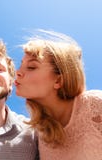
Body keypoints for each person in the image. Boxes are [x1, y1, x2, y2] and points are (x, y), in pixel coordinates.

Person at [15, 30, 102, 160]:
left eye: (31, 67)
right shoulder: (40, 135)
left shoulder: (95, 104)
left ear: (58, 80)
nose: (18, 72)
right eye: (21, 65)